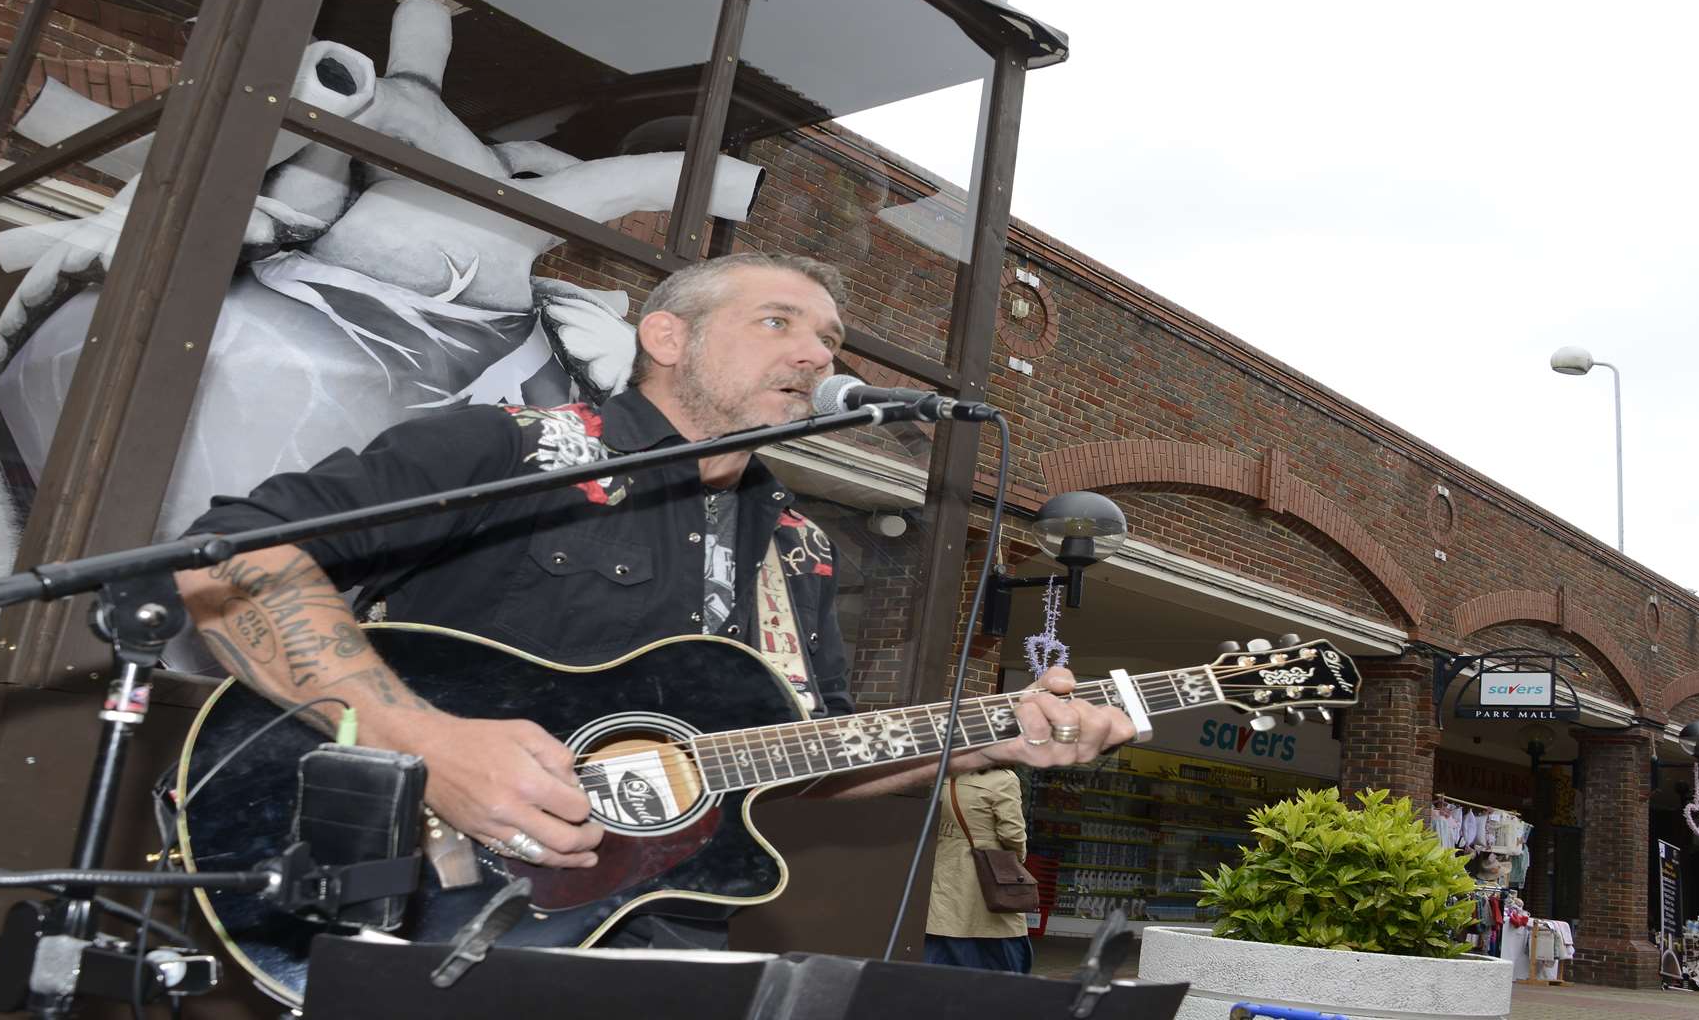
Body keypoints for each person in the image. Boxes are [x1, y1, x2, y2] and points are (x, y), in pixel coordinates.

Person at [173, 251, 1135, 948]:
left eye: (830, 339)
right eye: (778, 322)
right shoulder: (515, 451)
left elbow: (810, 754)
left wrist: (990, 740)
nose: (815, 354)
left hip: (660, 920)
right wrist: (425, 743)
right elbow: (232, 560)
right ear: (666, 335)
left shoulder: (796, 549)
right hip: (422, 895)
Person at [925, 766, 1033, 972]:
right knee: (999, 943)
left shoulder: (946, 776)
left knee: (944, 932)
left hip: (946, 866)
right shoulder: (1003, 779)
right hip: (989, 873)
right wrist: (1017, 860)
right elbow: (1012, 834)